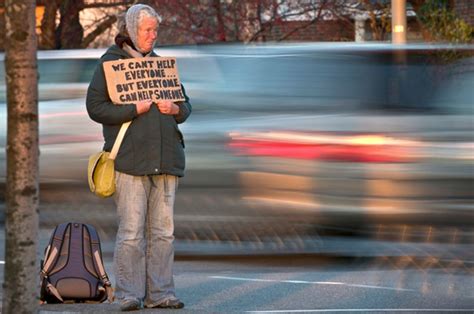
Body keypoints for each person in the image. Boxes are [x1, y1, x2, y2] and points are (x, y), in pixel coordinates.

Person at [86, 4, 191, 311]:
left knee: (164, 233)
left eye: (155, 30)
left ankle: (161, 294)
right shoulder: (110, 64)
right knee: (131, 233)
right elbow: (95, 107)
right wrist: (134, 109)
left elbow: (185, 107)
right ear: (132, 30)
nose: (152, 36)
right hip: (131, 161)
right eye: (147, 30)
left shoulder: (161, 65)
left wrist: (177, 109)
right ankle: (129, 294)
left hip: (167, 159)